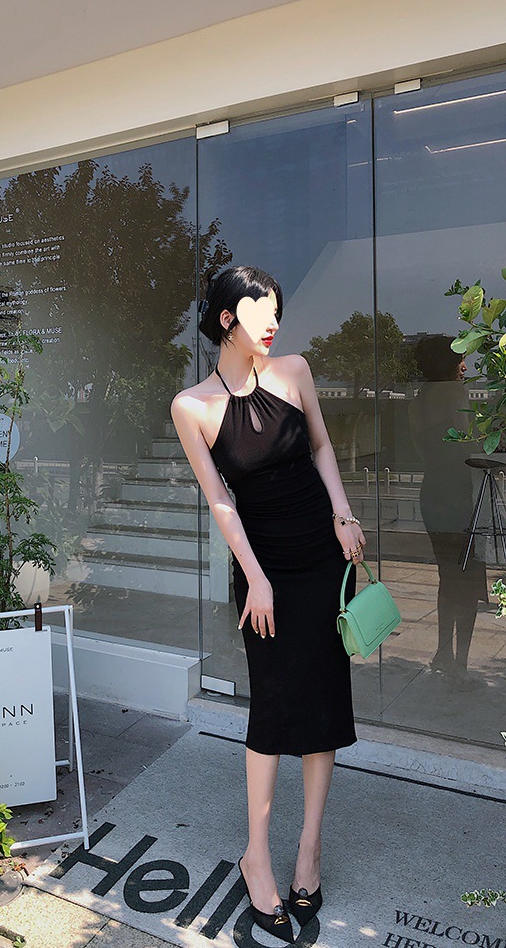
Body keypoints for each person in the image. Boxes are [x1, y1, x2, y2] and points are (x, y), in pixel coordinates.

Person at [170, 265, 364, 944]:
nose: (273, 322)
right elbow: (222, 501)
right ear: (227, 318)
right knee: (274, 706)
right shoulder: (193, 406)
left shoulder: (295, 372)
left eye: (278, 310)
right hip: (265, 570)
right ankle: (257, 854)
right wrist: (254, 576)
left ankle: (308, 849)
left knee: (325, 702)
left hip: (322, 558)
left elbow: (321, 447)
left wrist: (343, 514)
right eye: (261, 311)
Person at [408, 335, 488, 685]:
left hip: (433, 492)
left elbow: (430, 450)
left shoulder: (418, 400)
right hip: (458, 493)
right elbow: (467, 447)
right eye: (460, 360)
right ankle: (461, 664)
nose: (465, 367)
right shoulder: (453, 393)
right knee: (468, 580)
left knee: (448, 577)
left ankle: (443, 652)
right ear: (447, 362)